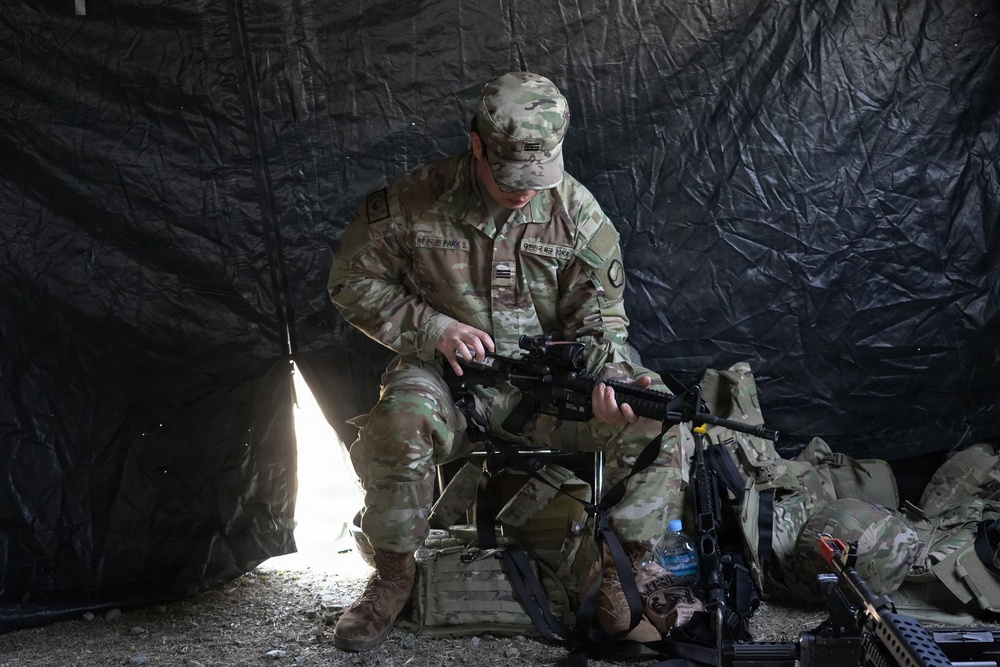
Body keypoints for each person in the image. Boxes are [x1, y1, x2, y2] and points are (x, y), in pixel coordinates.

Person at [327, 71, 686, 652]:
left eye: (538, 177)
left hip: (549, 393)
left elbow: (601, 328)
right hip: (447, 379)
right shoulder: (415, 202)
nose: (525, 192)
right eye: (511, 176)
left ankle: (621, 576)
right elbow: (351, 281)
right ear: (477, 145)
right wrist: (433, 328)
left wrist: (612, 382)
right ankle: (393, 575)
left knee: (657, 420)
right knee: (401, 419)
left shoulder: (578, 216)